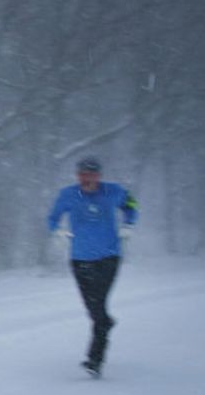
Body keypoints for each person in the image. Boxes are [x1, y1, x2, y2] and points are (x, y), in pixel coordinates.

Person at [46, 156, 138, 378]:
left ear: (99, 175)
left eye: (91, 174)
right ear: (78, 176)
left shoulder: (112, 191)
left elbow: (131, 204)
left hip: (108, 257)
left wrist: (128, 223)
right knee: (93, 308)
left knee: (98, 306)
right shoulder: (68, 195)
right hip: (80, 258)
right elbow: (53, 217)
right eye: (83, 174)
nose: (87, 179)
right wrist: (57, 231)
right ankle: (105, 322)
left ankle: (95, 359)